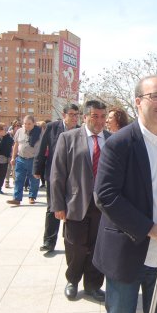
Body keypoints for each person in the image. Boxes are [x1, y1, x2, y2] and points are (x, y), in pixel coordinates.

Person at [93, 75, 157, 313]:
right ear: (138, 102)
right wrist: (149, 227)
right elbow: (105, 195)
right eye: (156, 96)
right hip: (128, 251)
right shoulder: (120, 143)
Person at [51, 100, 109, 301]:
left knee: (98, 247)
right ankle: (72, 280)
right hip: (75, 204)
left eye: (103, 116)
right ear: (84, 117)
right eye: (95, 116)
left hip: (103, 207)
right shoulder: (68, 138)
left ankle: (93, 285)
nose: (99, 121)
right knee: (75, 246)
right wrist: (57, 205)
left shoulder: (112, 140)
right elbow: (58, 173)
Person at [34, 103, 80, 253]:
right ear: (64, 115)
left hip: (73, 177)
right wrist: (37, 168)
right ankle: (49, 241)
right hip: (54, 175)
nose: (74, 118)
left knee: (71, 209)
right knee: (52, 208)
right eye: (71, 114)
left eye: (76, 115)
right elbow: (42, 148)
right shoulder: (52, 127)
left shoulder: (80, 131)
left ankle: (70, 241)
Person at [6, 115, 41, 205]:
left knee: (34, 179)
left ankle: (32, 196)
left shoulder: (40, 132)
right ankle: (17, 198)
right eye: (25, 123)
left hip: (33, 159)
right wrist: (13, 157)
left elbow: (43, 147)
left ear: (34, 123)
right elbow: (16, 145)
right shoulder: (19, 131)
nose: (27, 126)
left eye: (29, 124)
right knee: (18, 179)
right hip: (21, 159)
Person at [4, 119, 21, 188]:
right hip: (8, 153)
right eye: (17, 126)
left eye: (20, 126)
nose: (18, 127)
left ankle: (15, 181)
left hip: (17, 154)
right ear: (13, 126)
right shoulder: (8, 134)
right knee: (8, 168)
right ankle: (7, 181)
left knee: (15, 168)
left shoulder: (21, 134)